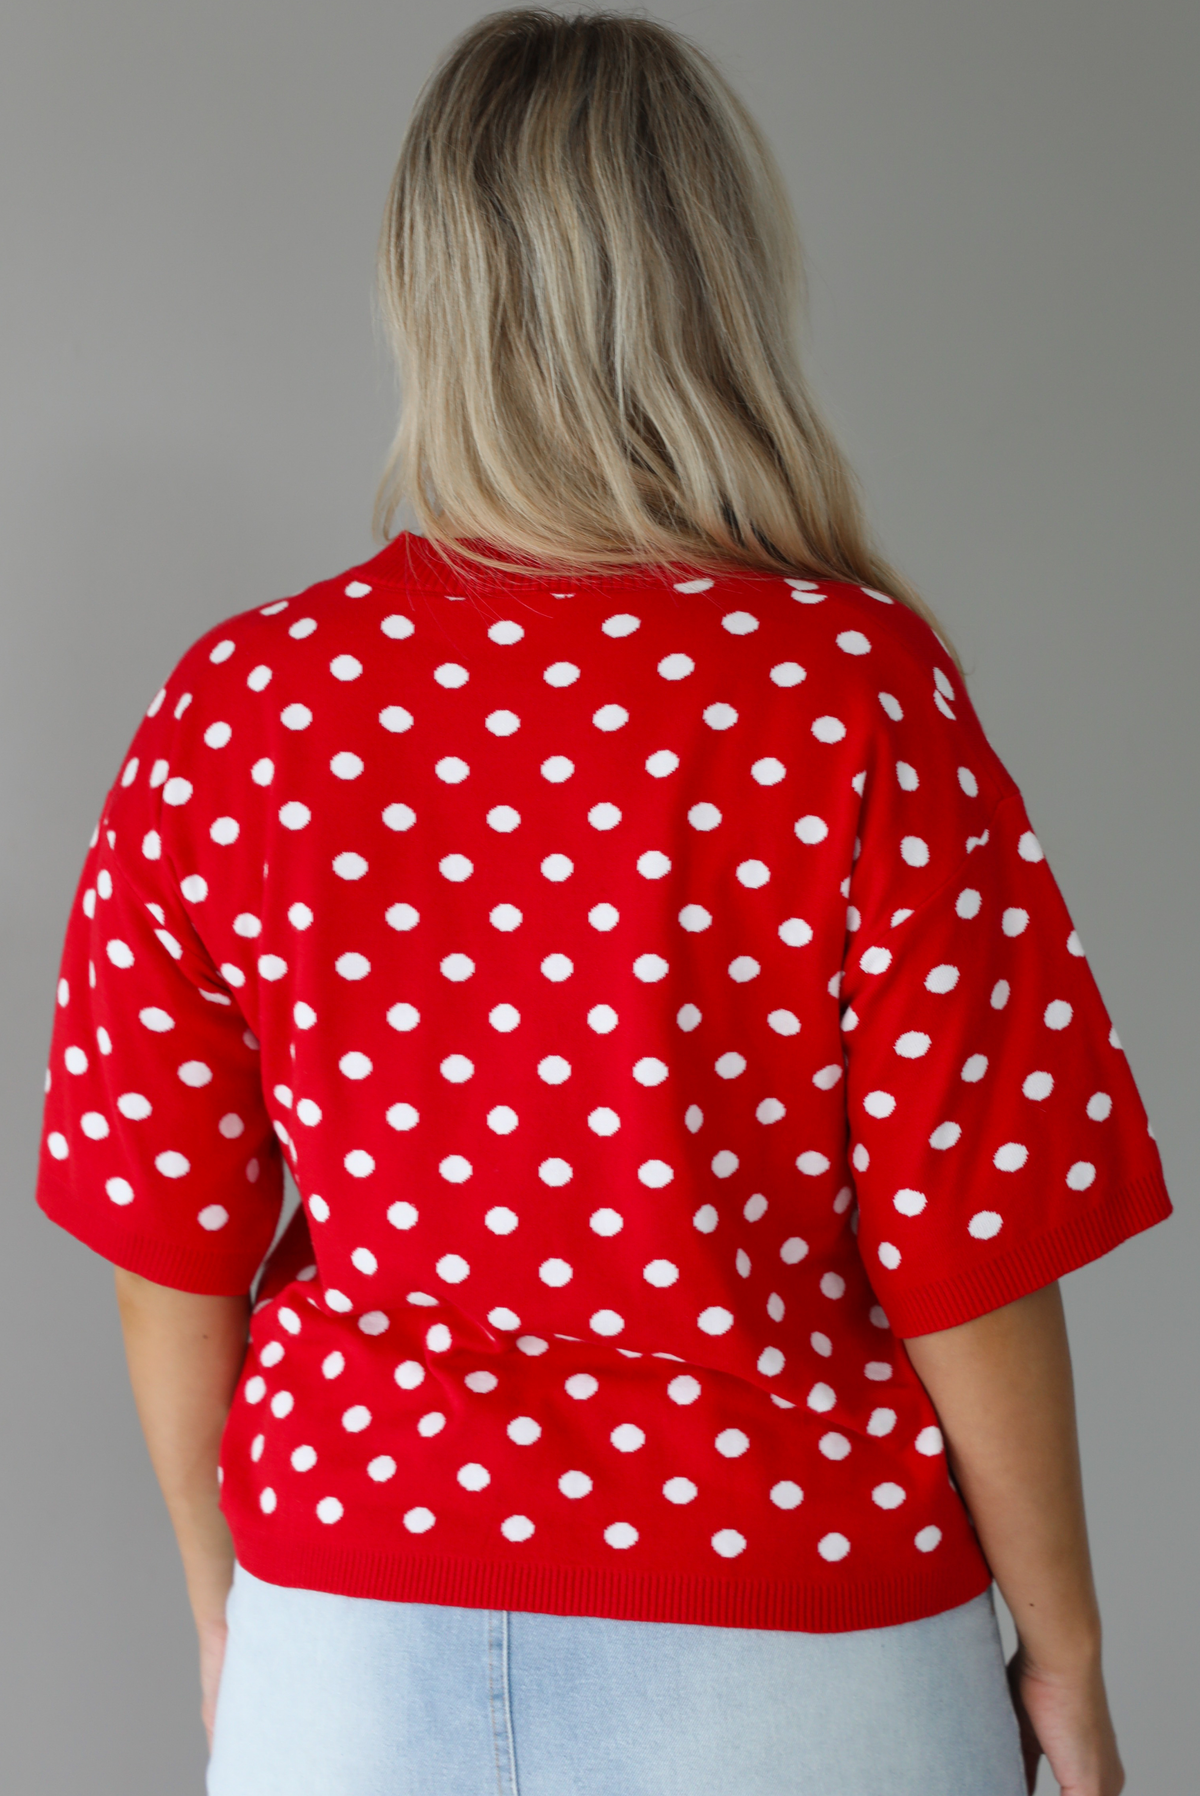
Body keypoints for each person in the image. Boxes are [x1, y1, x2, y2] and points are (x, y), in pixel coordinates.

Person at [35, 10, 1171, 1795]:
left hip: (351, 1628)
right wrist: (1073, 1662)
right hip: (794, 1633)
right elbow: (971, 1242)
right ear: (721, 287)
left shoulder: (240, 703)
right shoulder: (849, 693)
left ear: (426, 298)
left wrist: (227, 1606)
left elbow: (161, 1241)